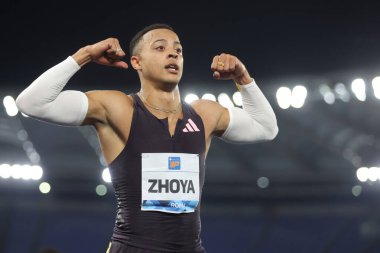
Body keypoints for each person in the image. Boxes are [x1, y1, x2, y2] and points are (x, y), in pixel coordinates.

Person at [16, 23, 278, 253]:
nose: (173, 53)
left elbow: (267, 128)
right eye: (160, 48)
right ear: (137, 62)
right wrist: (84, 55)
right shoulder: (119, 109)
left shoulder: (204, 114)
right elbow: (31, 103)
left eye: (178, 49)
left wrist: (244, 79)